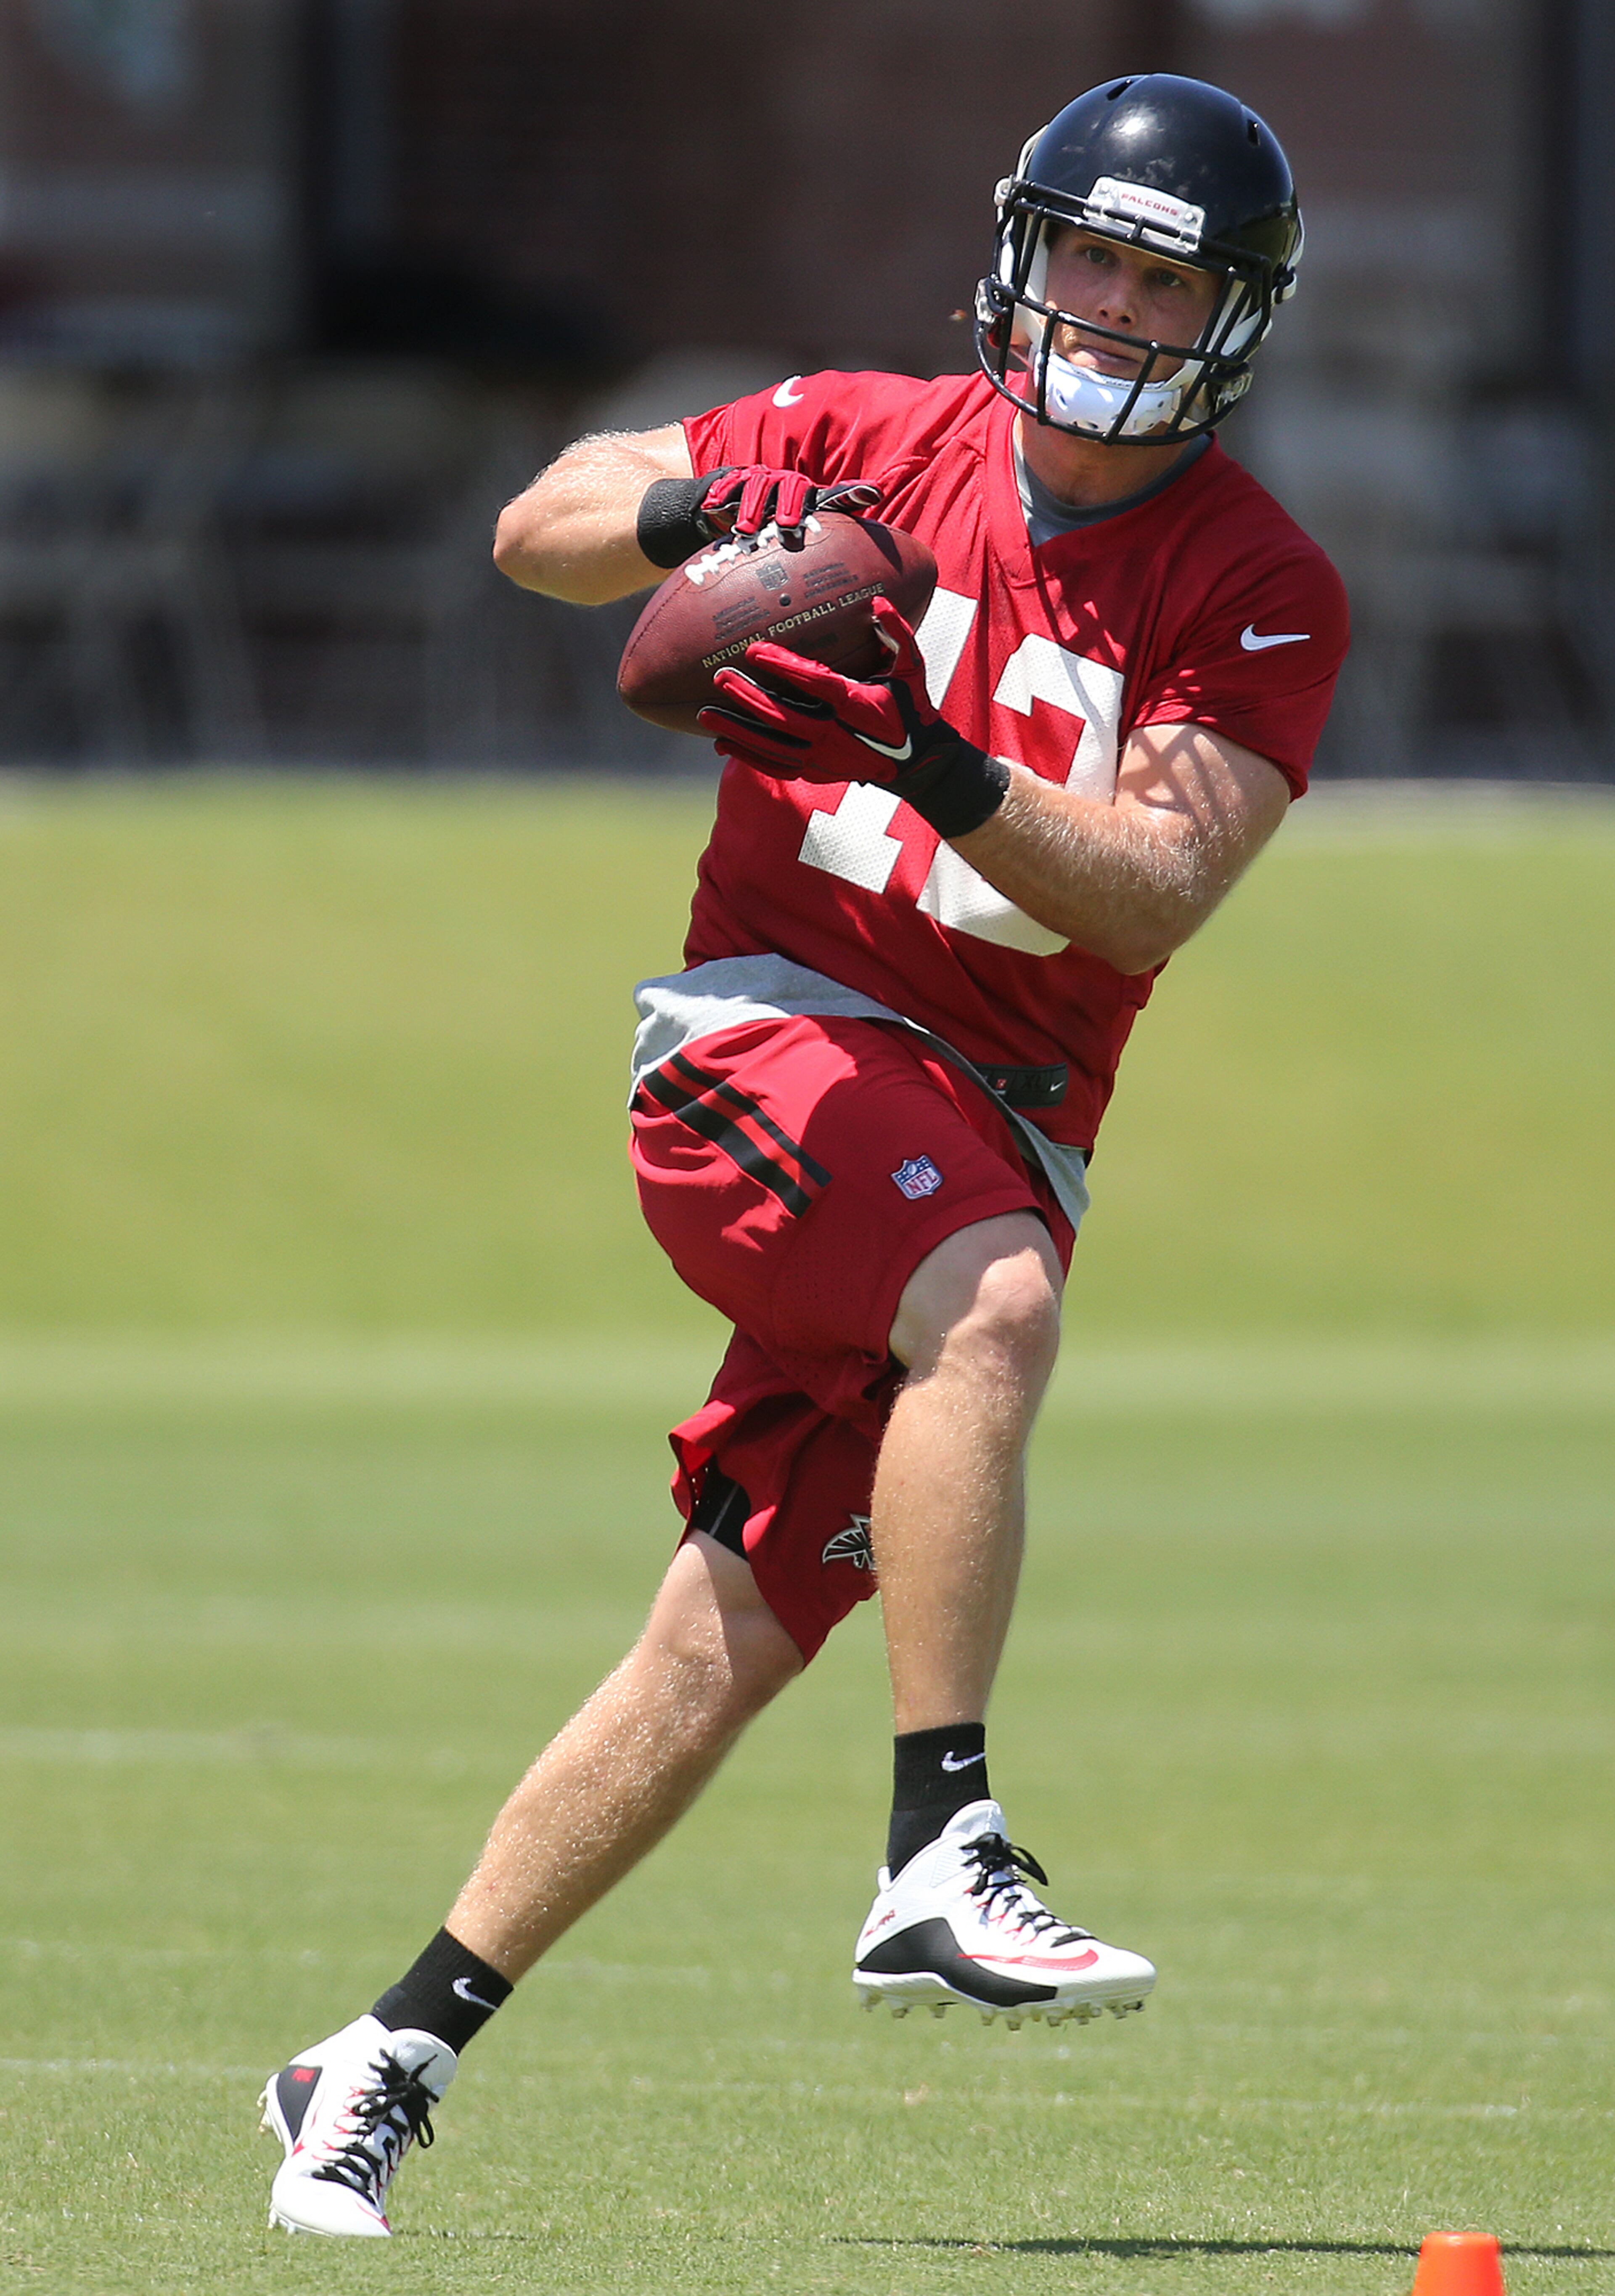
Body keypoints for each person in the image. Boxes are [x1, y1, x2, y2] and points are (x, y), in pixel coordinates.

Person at [258, 72, 1349, 2238]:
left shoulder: (1262, 582)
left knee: (732, 1625)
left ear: (1231, 320)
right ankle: (941, 1839)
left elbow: (1149, 887)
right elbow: (543, 523)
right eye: (1093, 254)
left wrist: (927, 753)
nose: (1113, 306)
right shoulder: (870, 436)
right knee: (997, 1309)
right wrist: (700, 529)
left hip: (990, 1120)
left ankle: (376, 2050)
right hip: (760, 1053)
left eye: (1164, 277)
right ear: (1025, 251)